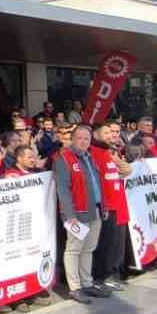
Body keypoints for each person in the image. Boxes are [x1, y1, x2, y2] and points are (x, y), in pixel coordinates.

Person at [54, 125, 106, 304]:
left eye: (87, 139)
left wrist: (103, 207)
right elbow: (63, 189)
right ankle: (75, 288)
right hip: (77, 213)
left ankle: (87, 283)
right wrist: (70, 215)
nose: (84, 142)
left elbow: (96, 185)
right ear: (73, 139)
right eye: (80, 138)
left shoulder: (89, 158)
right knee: (74, 249)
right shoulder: (64, 159)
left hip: (94, 210)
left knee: (88, 249)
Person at [88, 124, 133, 292]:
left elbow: (123, 172)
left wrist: (120, 163)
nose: (110, 136)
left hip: (119, 204)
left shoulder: (111, 152)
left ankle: (112, 275)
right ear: (96, 134)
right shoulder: (92, 153)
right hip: (107, 207)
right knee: (105, 245)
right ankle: (101, 277)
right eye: (105, 133)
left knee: (116, 245)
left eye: (111, 133)